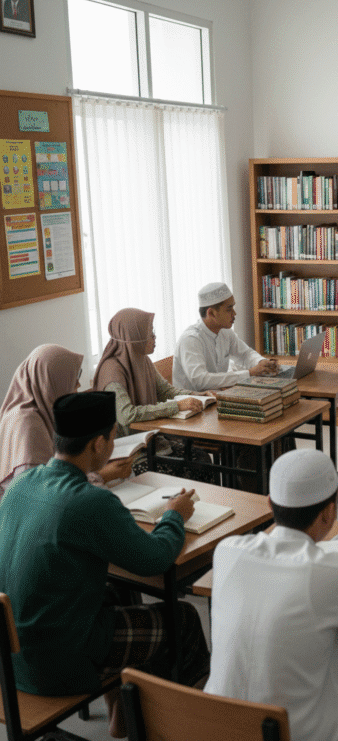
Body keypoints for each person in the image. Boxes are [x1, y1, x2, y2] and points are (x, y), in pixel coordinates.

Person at [0, 391, 210, 738]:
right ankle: (182, 728)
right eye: (113, 437)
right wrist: (174, 516)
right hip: (60, 666)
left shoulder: (20, 485)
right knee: (183, 618)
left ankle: (123, 713)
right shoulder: (91, 501)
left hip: (12, 659)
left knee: (116, 592)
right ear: (98, 444)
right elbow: (155, 558)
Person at [205, 449, 338, 741]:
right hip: (289, 735)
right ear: (329, 512)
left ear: (270, 503)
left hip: (217, 727)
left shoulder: (227, 551)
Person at [92, 308, 215, 481]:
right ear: (134, 336)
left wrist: (199, 395)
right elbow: (127, 415)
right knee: (184, 468)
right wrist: (176, 406)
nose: (154, 337)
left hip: (150, 441)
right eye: (149, 333)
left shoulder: (143, 360)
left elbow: (166, 391)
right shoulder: (111, 371)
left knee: (201, 459)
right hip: (127, 452)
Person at [0, 344, 133, 498]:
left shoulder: (39, 411)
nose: (78, 384)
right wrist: (102, 475)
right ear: (51, 380)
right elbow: (44, 495)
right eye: (72, 377)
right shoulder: (28, 424)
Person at [173, 282, 278, 391]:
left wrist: (261, 362)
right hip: (195, 400)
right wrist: (249, 373)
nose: (234, 313)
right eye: (229, 309)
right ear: (211, 313)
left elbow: (245, 354)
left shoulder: (225, 331)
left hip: (219, 395)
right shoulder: (191, 340)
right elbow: (200, 381)